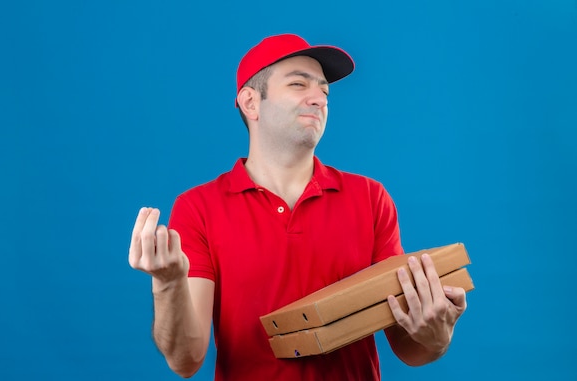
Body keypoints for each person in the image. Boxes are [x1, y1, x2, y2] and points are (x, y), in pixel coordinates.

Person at [128, 33, 467, 380]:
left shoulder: (369, 197)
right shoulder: (198, 207)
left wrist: (437, 337)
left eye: (324, 90)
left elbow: (408, 348)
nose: (318, 98)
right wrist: (168, 282)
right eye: (298, 84)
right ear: (250, 103)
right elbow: (186, 361)